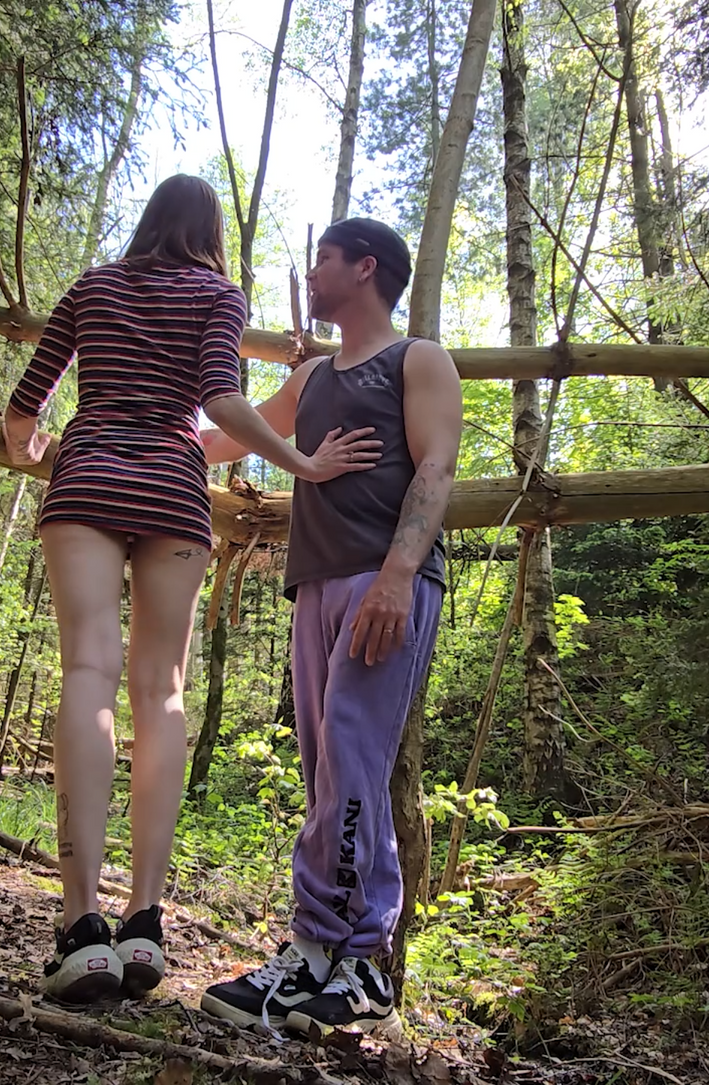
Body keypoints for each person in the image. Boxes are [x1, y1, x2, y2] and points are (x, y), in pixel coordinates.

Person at [0, 176, 383, 1004]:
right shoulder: (218, 293)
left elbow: (24, 406)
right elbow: (214, 401)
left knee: (87, 674)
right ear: (209, 231)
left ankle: (78, 928)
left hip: (89, 474)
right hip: (172, 489)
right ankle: (143, 919)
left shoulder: (92, 286)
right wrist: (304, 463)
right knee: (161, 694)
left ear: (146, 222)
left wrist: (33, 447)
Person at [196, 218, 462, 1034]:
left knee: (352, 749)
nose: (312, 273)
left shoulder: (419, 359)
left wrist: (396, 574)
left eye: (324, 260)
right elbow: (230, 433)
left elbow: (437, 465)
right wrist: (118, 436)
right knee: (324, 763)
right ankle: (314, 954)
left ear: (365, 267)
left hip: (389, 582)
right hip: (313, 584)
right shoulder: (311, 381)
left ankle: (362, 963)